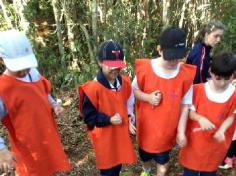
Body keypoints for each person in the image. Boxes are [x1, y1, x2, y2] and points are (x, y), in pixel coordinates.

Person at [0, 29, 71, 175]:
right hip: (28, 152)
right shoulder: (3, 89)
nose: (23, 71)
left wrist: (54, 105)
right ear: (2, 60)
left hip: (47, 139)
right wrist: (2, 149)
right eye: (18, 68)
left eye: (26, 65)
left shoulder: (34, 73)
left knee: (50, 168)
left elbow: (44, 91)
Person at [132, 27, 196, 176]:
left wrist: (180, 132)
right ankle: (146, 170)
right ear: (159, 50)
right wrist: (147, 98)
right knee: (144, 155)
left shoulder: (185, 75)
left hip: (166, 132)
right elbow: (134, 90)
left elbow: (186, 105)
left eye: (177, 57)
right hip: (146, 128)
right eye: (170, 57)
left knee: (163, 161)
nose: (174, 62)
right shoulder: (145, 69)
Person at [78, 39, 137, 176]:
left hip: (120, 136)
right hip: (105, 142)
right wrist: (108, 119)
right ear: (100, 62)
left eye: (118, 66)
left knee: (117, 167)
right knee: (108, 171)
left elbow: (128, 101)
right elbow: (89, 118)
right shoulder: (92, 89)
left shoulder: (124, 82)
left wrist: (129, 117)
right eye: (110, 65)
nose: (115, 69)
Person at [179, 52, 236, 176]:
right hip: (195, 143)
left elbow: (232, 116)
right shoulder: (197, 90)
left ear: (233, 75)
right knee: (190, 171)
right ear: (211, 72)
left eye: (227, 79)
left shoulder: (234, 94)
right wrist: (200, 118)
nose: (222, 83)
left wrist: (222, 129)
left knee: (209, 171)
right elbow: (190, 112)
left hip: (215, 146)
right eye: (218, 78)